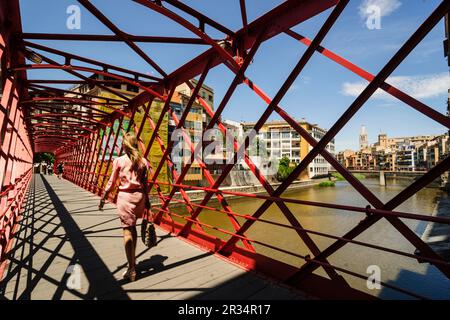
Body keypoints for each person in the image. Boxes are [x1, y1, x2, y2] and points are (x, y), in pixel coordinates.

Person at [99, 132, 150, 282]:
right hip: (140, 197)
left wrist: (103, 197)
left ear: (124, 144)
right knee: (133, 229)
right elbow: (146, 183)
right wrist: (147, 200)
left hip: (125, 198)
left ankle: (131, 269)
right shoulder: (143, 161)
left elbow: (111, 181)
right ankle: (132, 261)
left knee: (127, 231)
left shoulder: (119, 160)